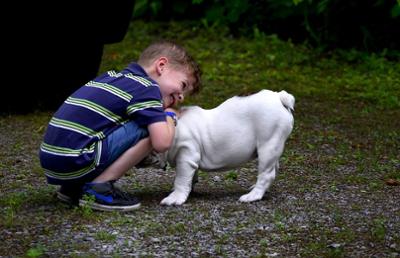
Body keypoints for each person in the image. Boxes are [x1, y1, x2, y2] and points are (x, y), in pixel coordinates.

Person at [39, 40, 202, 211]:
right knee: (150, 127)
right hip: (77, 159)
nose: (181, 97)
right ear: (161, 66)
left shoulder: (111, 78)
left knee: (134, 122)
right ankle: (99, 188)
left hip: (53, 161)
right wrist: (168, 115)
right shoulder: (147, 88)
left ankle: (73, 189)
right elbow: (162, 143)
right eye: (183, 85)